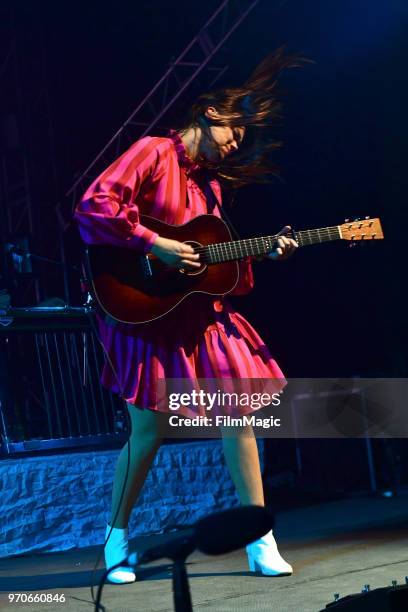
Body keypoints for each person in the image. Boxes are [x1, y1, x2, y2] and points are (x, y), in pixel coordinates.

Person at [74, 47, 302, 583]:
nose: (236, 143)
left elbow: (212, 263)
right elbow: (96, 204)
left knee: (238, 417)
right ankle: (115, 540)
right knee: (149, 432)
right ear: (211, 113)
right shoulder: (155, 150)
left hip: (196, 315)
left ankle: (259, 537)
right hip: (144, 309)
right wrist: (157, 245)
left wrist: (265, 251)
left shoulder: (209, 184)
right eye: (235, 131)